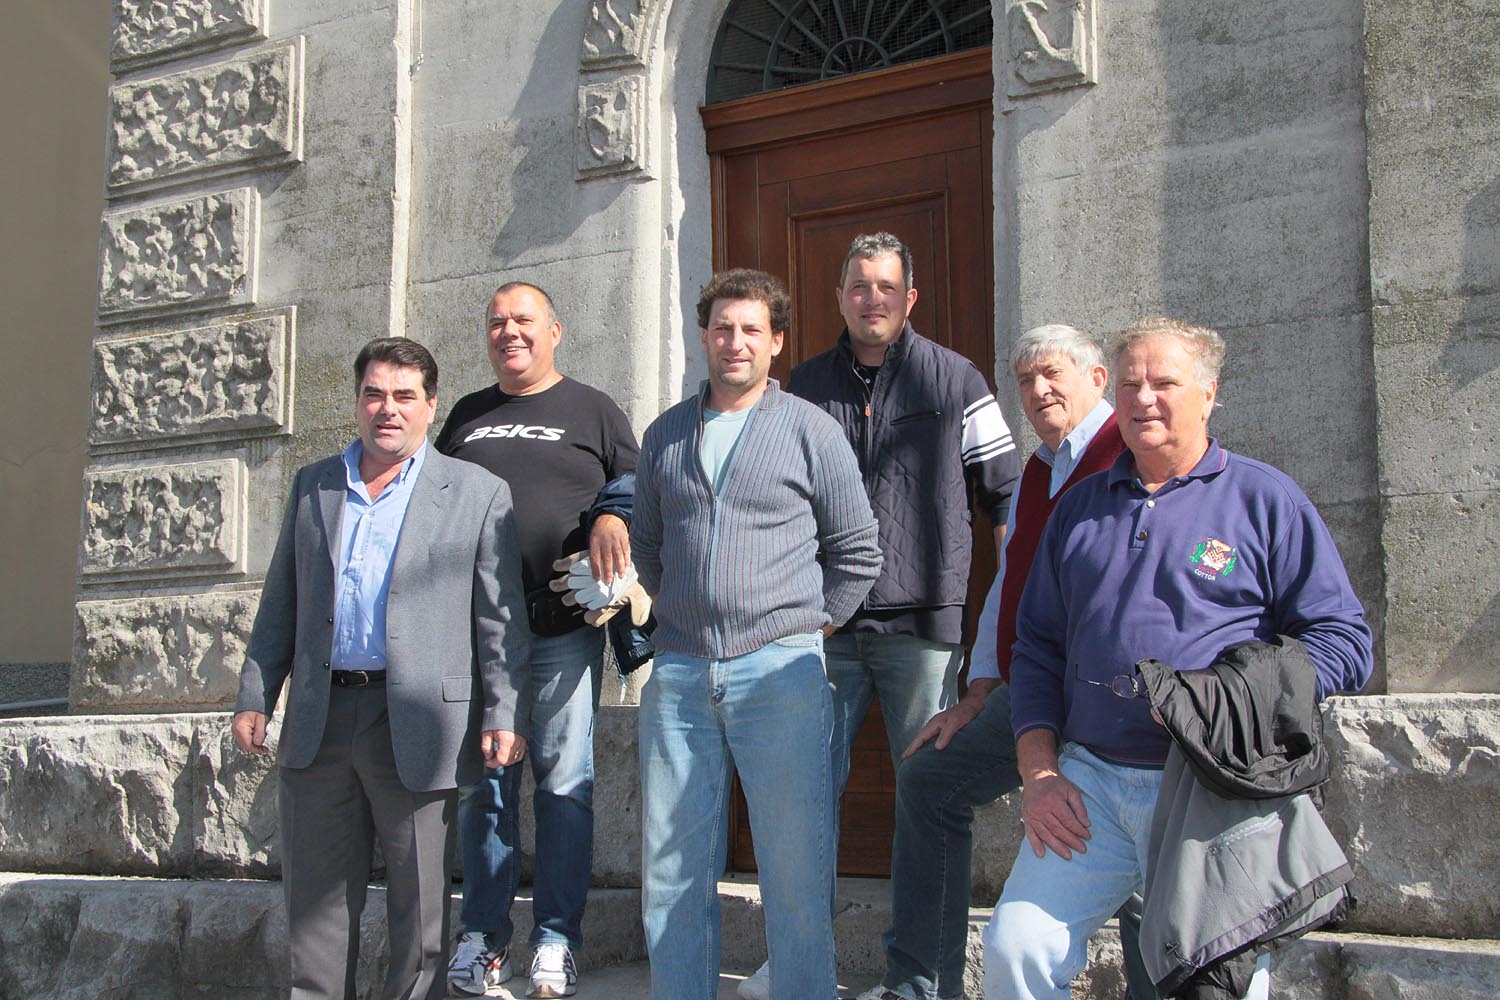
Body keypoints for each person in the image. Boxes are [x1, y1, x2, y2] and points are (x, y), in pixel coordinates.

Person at [983, 317, 1373, 999]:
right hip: (1091, 785)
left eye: (1164, 382)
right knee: (1016, 949)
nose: (1143, 399)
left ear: (1209, 393)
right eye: (1129, 384)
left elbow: (1343, 639)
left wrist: (1238, 699)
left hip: (1209, 790)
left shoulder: (1265, 500)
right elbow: (1037, 647)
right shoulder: (1078, 509)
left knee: (1218, 983)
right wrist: (1039, 772)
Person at [859, 323, 1166, 1000]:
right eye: (1026, 380)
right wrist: (977, 693)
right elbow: (1009, 585)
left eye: (1053, 374)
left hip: (1120, 705)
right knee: (930, 776)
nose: (1039, 390)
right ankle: (920, 983)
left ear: (1097, 380)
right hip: (1035, 695)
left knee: (1147, 861)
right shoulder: (1036, 471)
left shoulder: (1132, 451)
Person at [232, 337, 531, 1000]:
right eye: (374, 394)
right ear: (357, 402)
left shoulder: (477, 493)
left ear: (430, 406)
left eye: (403, 396)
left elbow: (501, 619)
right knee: (314, 902)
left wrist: (504, 711)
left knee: (420, 910)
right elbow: (282, 598)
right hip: (321, 717)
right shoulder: (315, 485)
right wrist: (257, 691)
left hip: (419, 721)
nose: (387, 409)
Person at [632, 268, 882, 1000]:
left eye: (751, 329)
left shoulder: (810, 429)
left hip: (781, 676)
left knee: (796, 872)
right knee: (671, 872)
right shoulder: (665, 434)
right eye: (722, 328)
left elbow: (857, 550)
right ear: (703, 336)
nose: (734, 342)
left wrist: (805, 628)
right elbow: (649, 546)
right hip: (680, 676)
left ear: (776, 342)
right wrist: (686, 612)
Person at [435, 282, 640, 999]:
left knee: (564, 784)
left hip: (560, 629)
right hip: (478, 632)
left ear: (555, 331)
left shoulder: (593, 409)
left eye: (523, 320)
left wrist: (611, 516)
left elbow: (639, 483)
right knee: (485, 787)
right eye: (497, 322)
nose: (509, 332)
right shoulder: (466, 416)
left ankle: (556, 940)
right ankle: (483, 939)